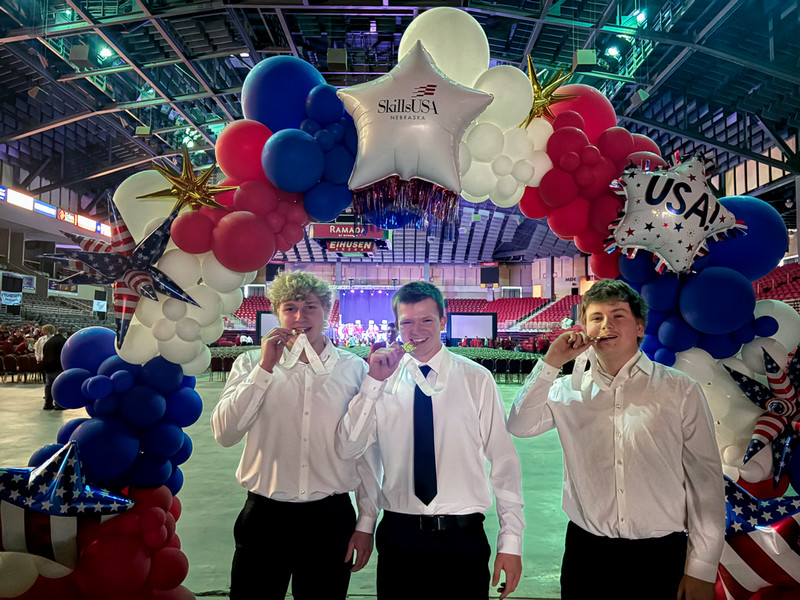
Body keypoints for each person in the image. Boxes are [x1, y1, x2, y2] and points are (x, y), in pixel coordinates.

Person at [507, 279, 724, 600]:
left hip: (661, 554)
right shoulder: (566, 391)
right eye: (596, 317)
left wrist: (702, 566)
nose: (606, 324)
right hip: (587, 553)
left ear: (639, 327)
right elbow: (520, 424)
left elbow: (705, 481)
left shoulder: (680, 390)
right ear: (583, 328)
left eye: (618, 315)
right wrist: (550, 363)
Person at [336, 282, 525, 600]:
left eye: (426, 320)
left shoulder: (476, 379)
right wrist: (372, 384)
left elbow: (504, 460)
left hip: (463, 537)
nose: (416, 330)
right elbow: (351, 449)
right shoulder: (381, 380)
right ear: (397, 326)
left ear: (443, 321)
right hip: (400, 534)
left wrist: (511, 540)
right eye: (406, 322)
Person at [210, 270, 379, 600]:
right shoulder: (249, 364)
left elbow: (366, 453)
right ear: (277, 313)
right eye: (290, 308)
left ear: (328, 312)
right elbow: (226, 434)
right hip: (264, 518)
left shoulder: (353, 369)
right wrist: (264, 370)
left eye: (311, 307)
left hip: (330, 519)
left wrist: (366, 522)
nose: (300, 318)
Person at [42, 327, 67, 410]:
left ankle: (47, 404)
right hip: (58, 366)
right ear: (64, 333)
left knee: (48, 386)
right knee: (58, 386)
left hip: (48, 367)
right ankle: (59, 404)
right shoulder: (63, 341)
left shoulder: (49, 341)